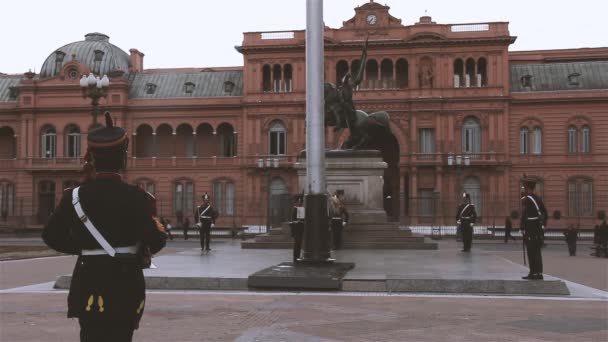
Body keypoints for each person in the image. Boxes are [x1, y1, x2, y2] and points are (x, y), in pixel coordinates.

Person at [42, 112, 167, 342]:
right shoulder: (139, 197)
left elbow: (51, 235)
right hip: (126, 280)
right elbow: (157, 239)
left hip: (89, 280)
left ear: (92, 158)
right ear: (123, 158)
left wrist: (84, 248)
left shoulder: (74, 196)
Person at [520, 176, 548, 280]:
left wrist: (522, 227)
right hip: (537, 230)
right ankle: (538, 273)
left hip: (530, 229)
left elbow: (525, 215)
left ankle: (533, 273)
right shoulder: (538, 199)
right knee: (537, 252)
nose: (523, 188)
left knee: (532, 251)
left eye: (524, 186)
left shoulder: (528, 199)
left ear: (527, 187)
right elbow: (545, 213)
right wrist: (542, 226)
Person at [290, 195, 305, 262]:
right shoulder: (295, 209)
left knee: (298, 244)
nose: (300, 203)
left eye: (300, 202)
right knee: (297, 244)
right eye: (299, 201)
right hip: (296, 229)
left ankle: (297, 256)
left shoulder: (300, 209)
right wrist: (297, 221)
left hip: (300, 229)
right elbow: (293, 220)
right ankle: (295, 257)